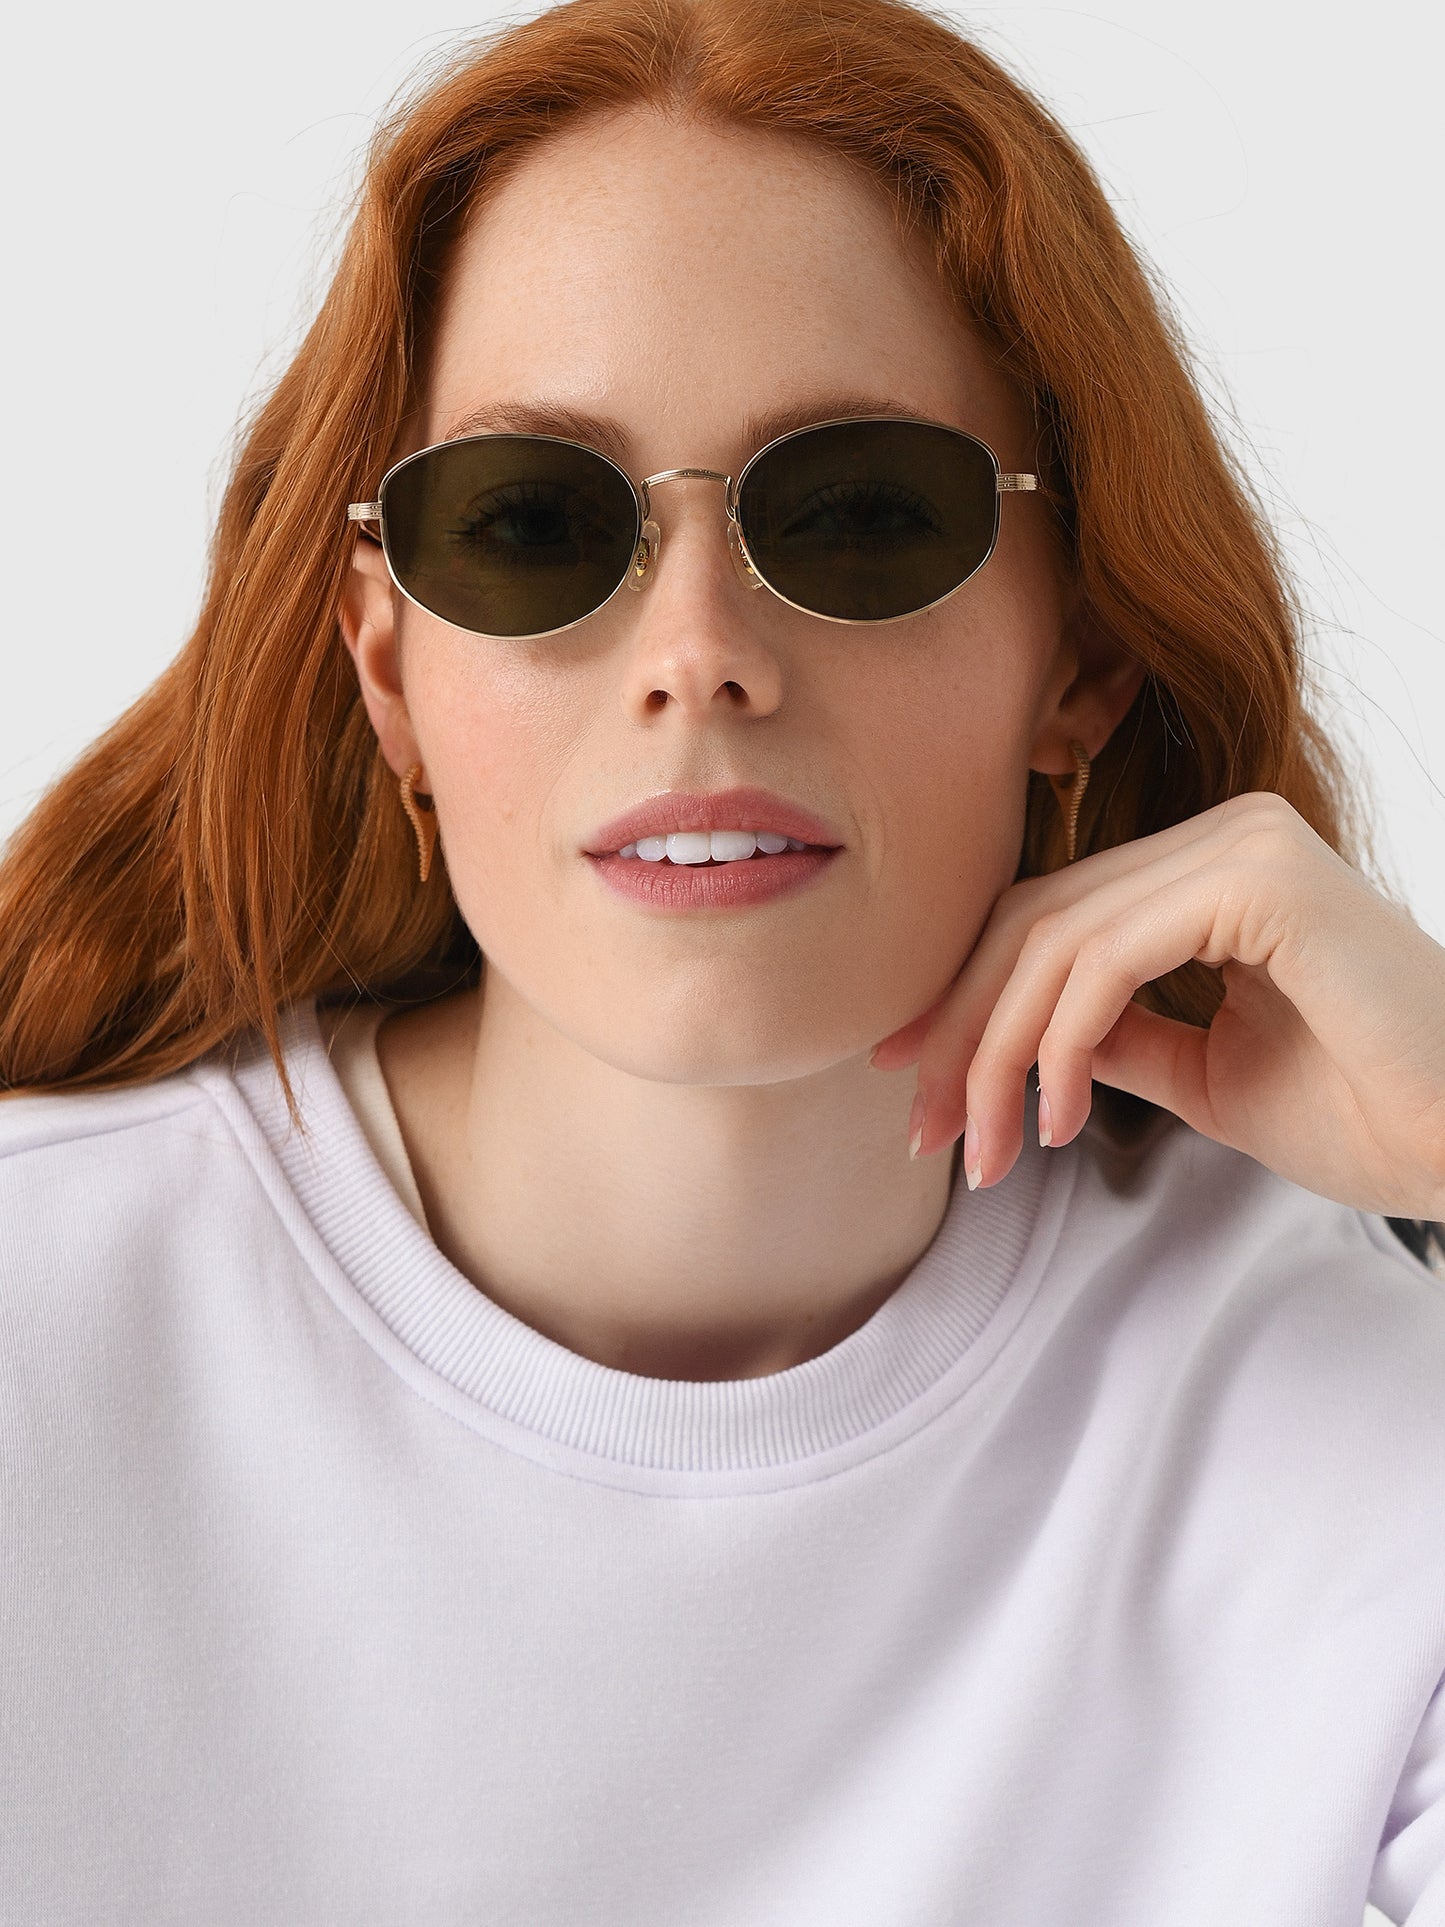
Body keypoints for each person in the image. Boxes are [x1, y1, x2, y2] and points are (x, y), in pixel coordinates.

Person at [2, 0, 1443, 1918]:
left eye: (858, 516)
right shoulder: (40, 1335)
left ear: (1081, 655)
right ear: (388, 673)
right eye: (533, 523)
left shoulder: (1344, 1417)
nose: (698, 655)